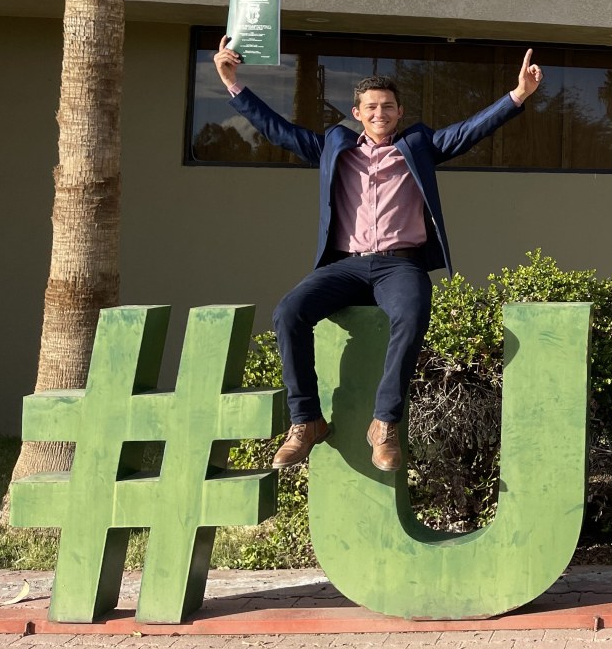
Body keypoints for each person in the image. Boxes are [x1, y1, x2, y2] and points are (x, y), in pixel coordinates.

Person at [214, 37, 543, 471]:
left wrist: (518, 95)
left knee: (412, 311)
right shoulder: (335, 146)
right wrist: (233, 84)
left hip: (399, 265)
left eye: (388, 106)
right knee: (289, 311)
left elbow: (468, 131)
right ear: (357, 113)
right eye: (371, 107)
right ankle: (306, 421)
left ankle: (384, 424)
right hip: (347, 265)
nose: (379, 114)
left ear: (400, 112)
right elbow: (279, 130)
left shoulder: (419, 146)